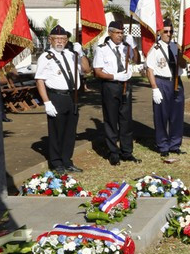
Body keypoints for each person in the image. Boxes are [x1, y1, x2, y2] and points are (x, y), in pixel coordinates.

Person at [35, 25, 90, 173]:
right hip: (56, 97)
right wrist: (47, 102)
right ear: (50, 40)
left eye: (63, 39)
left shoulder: (72, 54)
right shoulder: (45, 57)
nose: (60, 42)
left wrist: (82, 53)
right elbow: (40, 80)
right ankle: (56, 162)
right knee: (56, 132)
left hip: (73, 96)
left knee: (70, 131)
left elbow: (86, 69)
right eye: (57, 39)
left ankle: (67, 160)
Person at [93, 21, 140, 165]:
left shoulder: (126, 47)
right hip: (110, 86)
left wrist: (134, 46)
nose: (120, 36)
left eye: (122, 33)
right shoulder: (102, 49)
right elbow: (97, 72)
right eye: (117, 33)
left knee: (126, 120)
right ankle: (113, 152)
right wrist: (115, 76)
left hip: (126, 85)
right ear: (110, 33)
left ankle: (127, 152)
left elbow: (136, 60)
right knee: (111, 120)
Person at [145, 18, 186, 157]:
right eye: (166, 31)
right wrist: (154, 88)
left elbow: (184, 65)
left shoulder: (176, 46)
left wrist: (182, 54)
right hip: (162, 83)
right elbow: (149, 70)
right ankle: (163, 145)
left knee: (177, 115)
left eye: (171, 31)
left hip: (176, 81)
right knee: (161, 115)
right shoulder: (155, 49)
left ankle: (175, 144)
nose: (169, 34)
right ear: (160, 33)